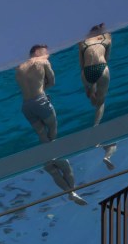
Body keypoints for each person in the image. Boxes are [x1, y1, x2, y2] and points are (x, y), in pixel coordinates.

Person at [15, 44, 87, 205]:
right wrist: (42, 88)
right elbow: (52, 82)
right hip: (40, 100)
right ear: (38, 52)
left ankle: (53, 166)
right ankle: (55, 159)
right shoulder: (43, 62)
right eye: (46, 53)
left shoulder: (19, 67)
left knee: (42, 134)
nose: (48, 55)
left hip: (26, 106)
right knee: (53, 128)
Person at [78, 23, 117, 169]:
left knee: (92, 96)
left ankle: (90, 90)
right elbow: (107, 58)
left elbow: (81, 64)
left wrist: (87, 86)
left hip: (87, 72)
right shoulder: (106, 38)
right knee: (100, 103)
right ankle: (96, 127)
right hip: (102, 68)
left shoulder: (82, 42)